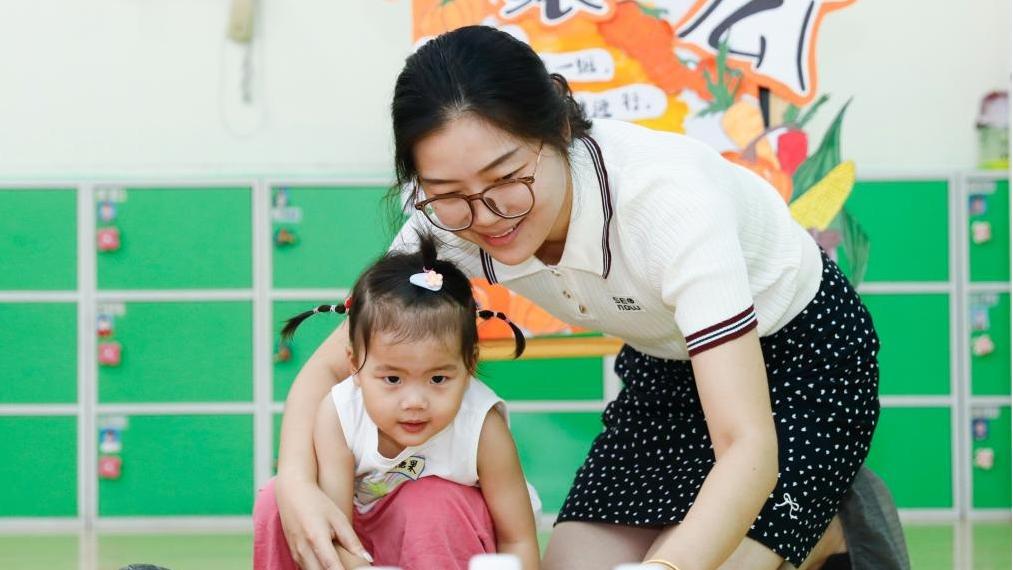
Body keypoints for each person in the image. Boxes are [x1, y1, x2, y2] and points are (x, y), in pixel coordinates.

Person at [262, 25, 885, 570]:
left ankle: (825, 528)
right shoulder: (445, 222)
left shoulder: (668, 204)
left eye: (508, 178)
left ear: (559, 126)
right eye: (448, 191)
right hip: (668, 363)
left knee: (713, 553)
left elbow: (746, 444)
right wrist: (296, 482)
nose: (487, 216)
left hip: (806, 357)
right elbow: (335, 364)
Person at [255, 236, 539, 570]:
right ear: (354, 365)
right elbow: (337, 532)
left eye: (438, 379)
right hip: (363, 542)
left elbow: (518, 538)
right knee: (278, 498)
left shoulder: (482, 426)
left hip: (449, 541)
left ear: (469, 365)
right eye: (392, 379)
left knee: (430, 501)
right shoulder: (339, 413)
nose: (415, 402)